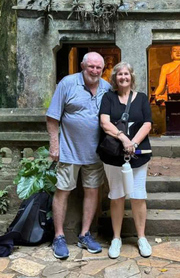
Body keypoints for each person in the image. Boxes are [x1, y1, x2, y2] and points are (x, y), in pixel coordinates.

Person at [46, 52, 111, 259]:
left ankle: (84, 234)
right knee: (62, 191)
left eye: (98, 68)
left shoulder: (106, 88)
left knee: (92, 192)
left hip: (96, 153)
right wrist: (54, 146)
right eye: (91, 66)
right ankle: (58, 236)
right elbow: (52, 118)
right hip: (69, 150)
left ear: (103, 69)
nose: (94, 71)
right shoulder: (67, 84)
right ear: (83, 66)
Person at [98, 61, 153, 259]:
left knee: (138, 195)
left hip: (138, 155)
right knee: (117, 195)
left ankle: (141, 237)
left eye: (126, 74)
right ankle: (116, 238)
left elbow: (147, 124)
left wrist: (134, 143)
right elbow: (104, 123)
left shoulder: (142, 99)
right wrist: (123, 138)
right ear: (115, 78)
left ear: (132, 77)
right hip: (113, 156)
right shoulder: (108, 98)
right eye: (119, 74)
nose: (123, 77)